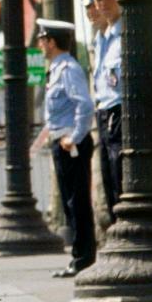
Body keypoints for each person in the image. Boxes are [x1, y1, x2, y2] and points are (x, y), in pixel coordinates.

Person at [34, 19, 96, 277]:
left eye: (41, 40)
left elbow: (84, 104)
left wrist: (76, 136)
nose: (39, 45)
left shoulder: (68, 68)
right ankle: (79, 256)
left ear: (51, 41)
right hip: (62, 141)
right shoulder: (57, 68)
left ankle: (84, 258)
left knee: (77, 200)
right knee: (71, 202)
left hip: (71, 143)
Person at [84, 0, 123, 224]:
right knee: (109, 177)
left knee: (120, 174)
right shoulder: (103, 40)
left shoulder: (124, 34)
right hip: (105, 112)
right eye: (98, 0)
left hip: (121, 111)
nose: (101, 4)